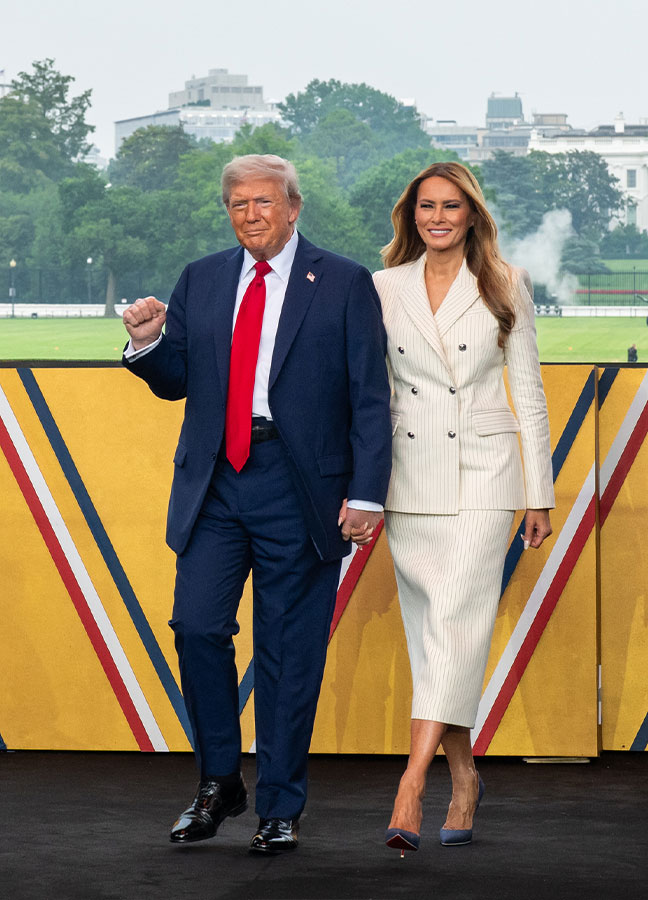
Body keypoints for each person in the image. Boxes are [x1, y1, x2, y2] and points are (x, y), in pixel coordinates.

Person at [122, 154, 392, 855]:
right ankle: (219, 782)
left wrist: (367, 492)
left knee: (288, 653)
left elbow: (370, 395)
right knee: (197, 628)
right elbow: (176, 378)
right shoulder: (202, 278)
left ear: (294, 207)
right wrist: (147, 342)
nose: (250, 214)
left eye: (263, 202)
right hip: (215, 484)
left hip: (302, 486)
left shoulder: (342, 281)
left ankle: (280, 805)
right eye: (238, 203)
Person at [372, 162, 555, 854]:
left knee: (454, 621)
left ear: (472, 214)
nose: (438, 217)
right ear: (411, 214)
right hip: (408, 479)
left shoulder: (507, 283)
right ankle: (465, 775)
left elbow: (528, 394)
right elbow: (373, 394)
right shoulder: (382, 286)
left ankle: (411, 785)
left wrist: (538, 494)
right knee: (433, 640)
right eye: (427, 207)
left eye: (451, 206)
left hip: (485, 476)